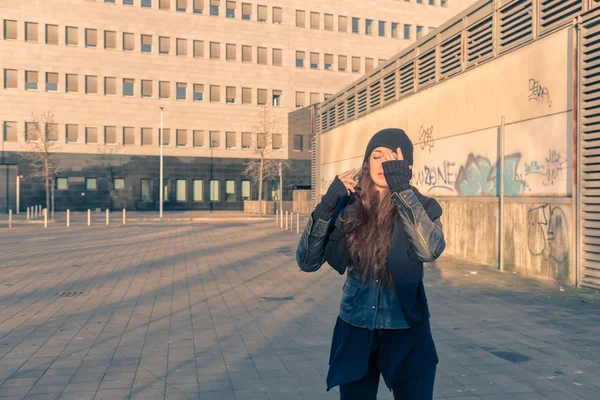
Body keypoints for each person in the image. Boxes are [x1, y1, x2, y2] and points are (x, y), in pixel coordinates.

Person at [296, 128, 446, 400]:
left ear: (405, 165)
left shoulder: (423, 206)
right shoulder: (347, 204)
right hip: (356, 327)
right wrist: (326, 206)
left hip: (406, 328)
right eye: (376, 156)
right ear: (367, 162)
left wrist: (401, 189)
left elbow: (428, 251)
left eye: (391, 157)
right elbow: (306, 262)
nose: (382, 163)